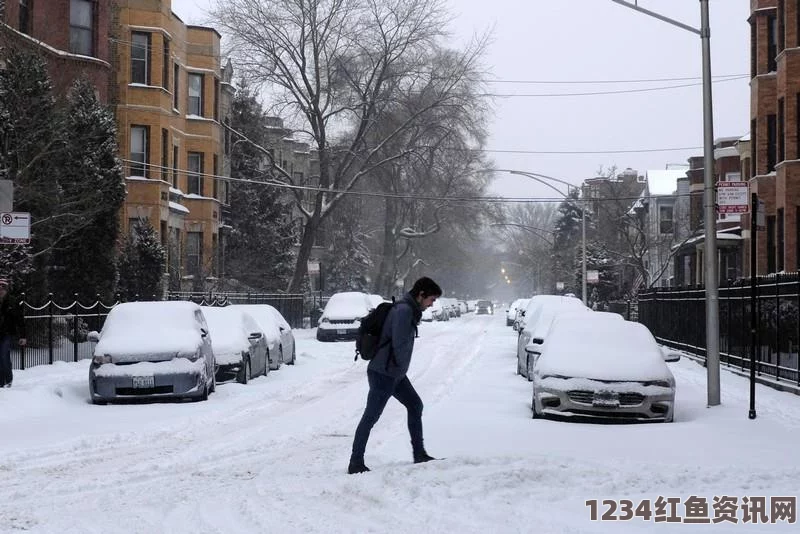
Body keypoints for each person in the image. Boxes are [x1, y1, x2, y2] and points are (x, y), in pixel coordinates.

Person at [348, 277, 442, 474]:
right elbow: (399, 342)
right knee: (370, 417)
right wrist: (400, 365)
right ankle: (355, 462)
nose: (431, 304)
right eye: (431, 299)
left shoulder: (408, 309)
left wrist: (399, 370)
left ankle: (419, 454)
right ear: (421, 294)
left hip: (394, 373)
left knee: (415, 405)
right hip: (384, 373)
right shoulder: (404, 311)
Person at [0, 278, 26, 388]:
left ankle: (7, 380)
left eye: (3, 287)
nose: (1, 289)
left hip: (7, 333)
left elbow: (20, 319)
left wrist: (23, 336)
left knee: (3, 355)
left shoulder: (12, 301)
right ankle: (1, 382)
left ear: (7, 289)